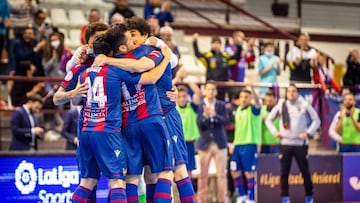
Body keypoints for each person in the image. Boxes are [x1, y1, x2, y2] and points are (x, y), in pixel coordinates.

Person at [57, 25, 171, 203]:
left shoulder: (81, 68)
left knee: (90, 181)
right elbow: (149, 76)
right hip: (111, 130)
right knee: (120, 181)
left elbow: (59, 97)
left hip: (87, 129)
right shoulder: (118, 68)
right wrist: (166, 57)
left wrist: (73, 93)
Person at [265, 84, 320, 203]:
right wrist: (275, 132)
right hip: (285, 144)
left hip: (300, 144)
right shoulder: (281, 105)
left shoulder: (304, 105)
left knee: (305, 171)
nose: (291, 93)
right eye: (289, 91)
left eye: (294, 91)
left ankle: (309, 196)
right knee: (284, 172)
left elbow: (317, 120)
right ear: (286, 93)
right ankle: (285, 198)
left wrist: (308, 132)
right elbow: (268, 120)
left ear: (297, 93)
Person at [196, 80, 229, 203]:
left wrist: (215, 115)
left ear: (215, 91)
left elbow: (226, 121)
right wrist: (205, 116)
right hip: (204, 144)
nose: (210, 91)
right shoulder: (200, 105)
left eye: (212, 89)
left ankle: (222, 200)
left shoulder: (221, 105)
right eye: (208, 89)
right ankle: (201, 200)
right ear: (204, 91)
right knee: (203, 175)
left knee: (221, 175)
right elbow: (199, 124)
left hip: (220, 144)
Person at [231, 83, 261, 203]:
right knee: (234, 171)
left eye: (246, 97)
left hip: (249, 144)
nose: (243, 99)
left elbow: (258, 102)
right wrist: (234, 143)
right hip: (237, 145)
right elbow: (238, 128)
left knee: (249, 172)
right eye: (242, 97)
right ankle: (242, 195)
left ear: (250, 99)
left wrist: (252, 89)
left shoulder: (254, 109)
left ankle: (251, 198)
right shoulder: (238, 110)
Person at [193, 33, 242, 100]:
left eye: (218, 43)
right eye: (214, 43)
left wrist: (239, 44)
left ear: (220, 45)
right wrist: (195, 41)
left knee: (221, 104)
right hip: (210, 86)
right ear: (211, 44)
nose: (216, 45)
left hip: (222, 87)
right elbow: (197, 54)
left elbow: (237, 57)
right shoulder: (207, 56)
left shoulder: (225, 56)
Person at [176, 83, 201, 175]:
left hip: (189, 143)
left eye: (184, 96)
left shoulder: (192, 107)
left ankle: (188, 189)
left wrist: (188, 80)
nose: (182, 99)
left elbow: (197, 92)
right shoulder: (173, 109)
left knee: (189, 170)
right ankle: (176, 190)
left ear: (187, 97)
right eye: (179, 96)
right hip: (177, 144)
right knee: (176, 170)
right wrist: (177, 79)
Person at [260, 89, 280, 154]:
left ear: (275, 99)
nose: (268, 102)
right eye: (267, 100)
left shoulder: (279, 110)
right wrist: (259, 119)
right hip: (264, 142)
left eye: (270, 100)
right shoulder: (261, 110)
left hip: (276, 142)